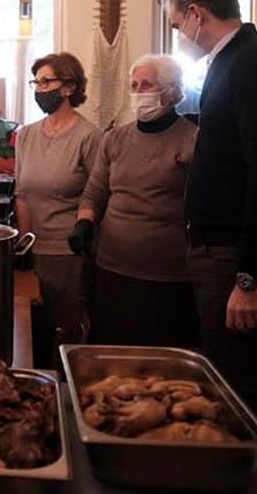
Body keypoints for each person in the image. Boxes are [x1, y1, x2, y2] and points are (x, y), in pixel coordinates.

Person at [164, 0, 257, 491]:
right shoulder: (230, 64)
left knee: (242, 390)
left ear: (196, 14)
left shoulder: (254, 65)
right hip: (219, 252)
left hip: (233, 258)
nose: (179, 34)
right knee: (228, 382)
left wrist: (249, 277)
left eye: (177, 23)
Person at [70, 53, 199, 348]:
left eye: (147, 85)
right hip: (113, 268)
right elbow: (94, 193)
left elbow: (203, 206)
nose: (139, 92)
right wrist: (84, 223)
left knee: (162, 356)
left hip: (168, 274)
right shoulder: (114, 139)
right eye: (134, 85)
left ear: (171, 91)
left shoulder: (192, 140)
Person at [14, 52, 103, 348]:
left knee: (66, 334)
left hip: (69, 254)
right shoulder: (26, 135)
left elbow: (97, 193)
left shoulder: (89, 137)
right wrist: (25, 244)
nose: (40, 89)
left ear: (69, 87)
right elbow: (22, 194)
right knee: (34, 333)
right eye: (36, 82)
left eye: (47, 82)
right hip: (35, 252)